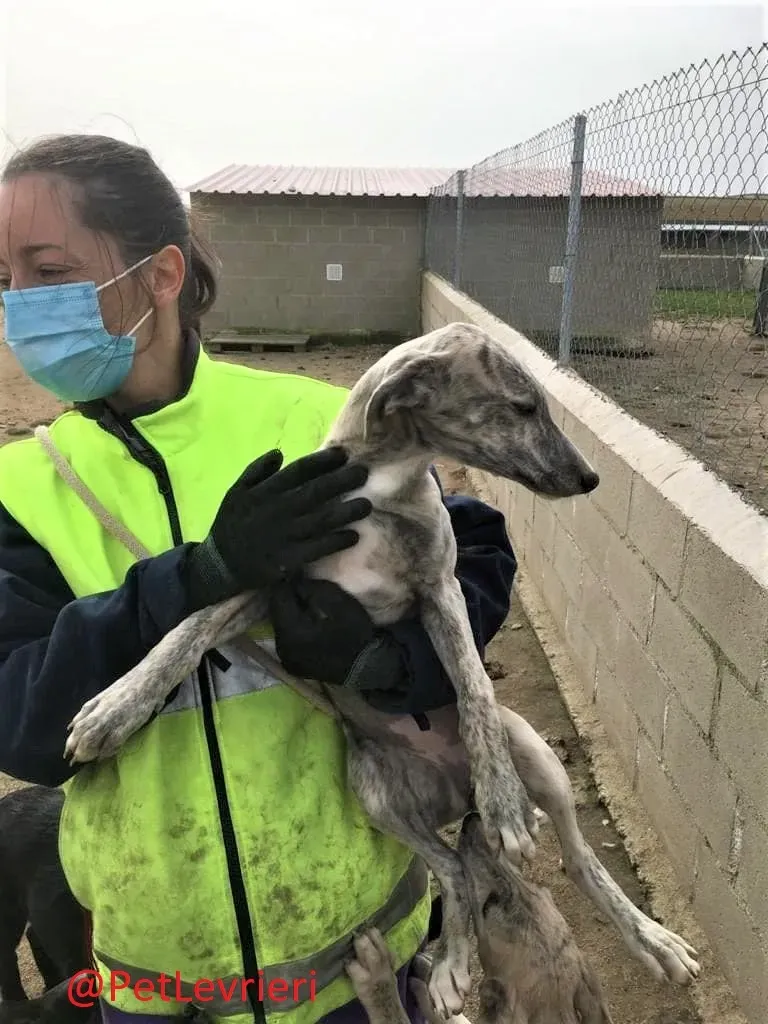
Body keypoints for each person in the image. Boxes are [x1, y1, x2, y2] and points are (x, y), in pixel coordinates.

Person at [0, 134, 517, 1024]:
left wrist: (379, 662)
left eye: (48, 271)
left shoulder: (313, 417)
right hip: (155, 984)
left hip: (358, 965)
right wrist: (199, 576)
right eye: (4, 278)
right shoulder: (24, 489)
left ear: (160, 277)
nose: (19, 306)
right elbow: (25, 726)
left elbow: (472, 561)